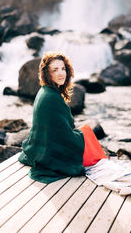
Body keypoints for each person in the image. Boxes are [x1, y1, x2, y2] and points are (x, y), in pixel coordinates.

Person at [18, 52, 107, 184]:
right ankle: (102, 161)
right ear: (47, 74)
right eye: (55, 70)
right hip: (51, 151)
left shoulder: (45, 91)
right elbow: (65, 133)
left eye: (63, 69)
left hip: (42, 145)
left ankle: (101, 159)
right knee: (87, 133)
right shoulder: (51, 96)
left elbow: (60, 128)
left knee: (86, 132)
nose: (61, 73)